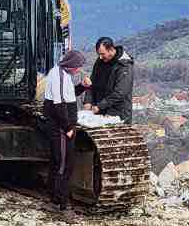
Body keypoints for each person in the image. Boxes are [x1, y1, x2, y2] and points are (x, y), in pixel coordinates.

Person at [42, 48, 86, 209]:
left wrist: (82, 87)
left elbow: (69, 95)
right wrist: (67, 127)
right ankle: (60, 201)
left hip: (64, 124)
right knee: (63, 162)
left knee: (60, 162)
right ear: (70, 64)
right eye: (77, 66)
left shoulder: (63, 74)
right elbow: (59, 104)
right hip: (60, 126)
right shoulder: (58, 75)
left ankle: (55, 196)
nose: (78, 70)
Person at [84, 37, 135, 123]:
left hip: (118, 115)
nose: (100, 57)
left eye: (103, 54)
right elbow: (92, 82)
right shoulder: (100, 61)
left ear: (111, 50)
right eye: (99, 54)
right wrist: (88, 100)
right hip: (100, 112)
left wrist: (100, 106)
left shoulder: (124, 66)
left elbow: (120, 92)